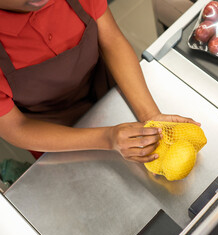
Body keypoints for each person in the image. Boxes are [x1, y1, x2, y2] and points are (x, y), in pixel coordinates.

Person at [0, 0, 199, 163]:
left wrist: (151, 114)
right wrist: (107, 138)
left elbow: (112, 40)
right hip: (51, 133)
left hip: (108, 91)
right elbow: (16, 127)